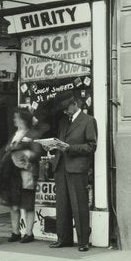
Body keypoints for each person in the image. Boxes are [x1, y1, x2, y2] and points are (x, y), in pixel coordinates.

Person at [48, 94, 97, 252]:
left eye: (66, 108)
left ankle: (83, 241)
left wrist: (70, 148)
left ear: (75, 104)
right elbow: (61, 143)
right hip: (61, 167)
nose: (65, 112)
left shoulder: (89, 121)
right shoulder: (64, 122)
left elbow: (91, 146)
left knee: (79, 205)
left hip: (77, 168)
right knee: (62, 206)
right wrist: (51, 147)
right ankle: (63, 238)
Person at [0, 108, 42, 243]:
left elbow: (37, 152)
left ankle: (29, 233)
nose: (14, 120)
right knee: (13, 204)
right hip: (13, 174)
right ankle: (15, 232)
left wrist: (24, 155)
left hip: (26, 173)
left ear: (23, 120)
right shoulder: (15, 134)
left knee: (28, 204)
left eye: (16, 118)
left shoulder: (33, 134)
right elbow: (7, 149)